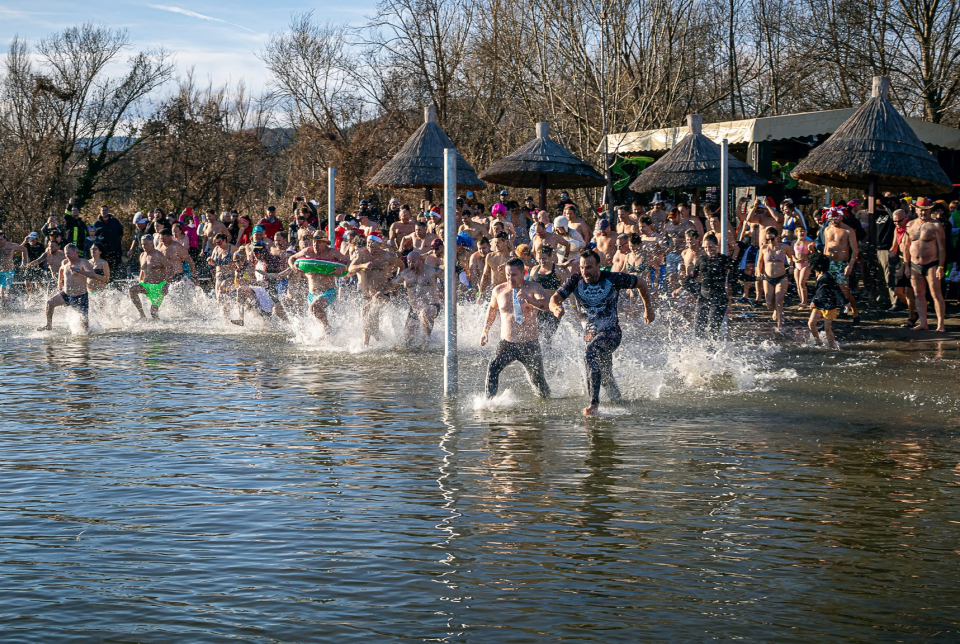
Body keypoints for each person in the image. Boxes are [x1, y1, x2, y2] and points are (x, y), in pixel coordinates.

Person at [550, 250, 655, 416]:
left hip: (611, 332)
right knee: (603, 375)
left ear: (599, 266)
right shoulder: (575, 279)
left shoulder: (613, 278)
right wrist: (556, 308)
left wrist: (648, 309)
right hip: (590, 335)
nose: (585, 271)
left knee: (590, 353)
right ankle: (618, 401)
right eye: (583, 267)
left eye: (589, 267)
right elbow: (554, 299)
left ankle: (593, 404)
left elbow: (641, 283)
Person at [480, 257, 552, 399]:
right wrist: (485, 331)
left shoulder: (533, 287)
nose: (510, 278)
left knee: (538, 381)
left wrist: (529, 299)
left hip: (529, 344)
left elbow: (546, 304)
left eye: (513, 275)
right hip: (507, 344)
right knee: (492, 368)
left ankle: (547, 402)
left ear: (523, 273)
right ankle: (489, 402)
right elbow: (492, 310)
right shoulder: (499, 290)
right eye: (508, 274)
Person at [347, 234, 404, 345]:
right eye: (368, 244)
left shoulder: (387, 256)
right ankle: (383, 342)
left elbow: (401, 266)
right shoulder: (362, 254)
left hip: (382, 292)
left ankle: (365, 344)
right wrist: (363, 266)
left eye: (373, 245)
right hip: (367, 293)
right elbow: (351, 268)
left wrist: (395, 284)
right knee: (371, 322)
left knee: (366, 310)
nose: (370, 247)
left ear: (380, 244)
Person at [377, 250, 442, 344]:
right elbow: (392, 284)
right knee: (407, 341)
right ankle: (424, 339)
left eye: (413, 262)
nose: (411, 264)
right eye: (408, 262)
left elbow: (449, 276)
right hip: (415, 309)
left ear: (420, 260)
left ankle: (428, 339)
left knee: (425, 313)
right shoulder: (405, 274)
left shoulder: (432, 270)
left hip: (432, 306)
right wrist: (381, 292)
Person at [288, 233, 349, 331]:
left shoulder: (332, 253)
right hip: (311, 294)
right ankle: (327, 334)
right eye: (314, 241)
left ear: (325, 243)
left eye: (319, 242)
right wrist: (293, 266)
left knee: (315, 308)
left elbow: (348, 261)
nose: (316, 244)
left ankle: (328, 330)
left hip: (328, 291)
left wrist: (342, 267)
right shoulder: (308, 251)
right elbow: (292, 258)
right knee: (316, 316)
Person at [904, 197, 946, 332]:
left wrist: (941, 266)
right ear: (916, 210)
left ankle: (941, 324)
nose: (923, 213)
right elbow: (906, 246)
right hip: (914, 264)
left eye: (926, 210)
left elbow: (942, 247)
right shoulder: (910, 225)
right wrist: (906, 265)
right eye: (921, 210)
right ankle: (923, 323)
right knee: (918, 293)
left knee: (936, 293)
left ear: (930, 210)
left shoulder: (936, 225)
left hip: (931, 264)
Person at [680, 232, 733, 338]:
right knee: (698, 328)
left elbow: (733, 279)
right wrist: (683, 286)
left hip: (719, 298)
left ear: (716, 246)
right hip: (704, 297)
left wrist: (730, 300)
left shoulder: (724, 259)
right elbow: (692, 276)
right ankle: (700, 351)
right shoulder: (701, 259)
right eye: (706, 247)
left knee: (713, 328)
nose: (708, 249)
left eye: (711, 247)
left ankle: (714, 352)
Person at [36, 244, 99, 332]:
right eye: (66, 253)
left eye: (69, 253)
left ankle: (89, 335)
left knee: (84, 326)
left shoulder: (83, 262)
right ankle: (48, 325)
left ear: (75, 252)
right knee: (50, 303)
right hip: (66, 294)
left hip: (80, 296)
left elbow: (92, 274)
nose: (67, 255)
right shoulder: (65, 262)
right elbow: (61, 269)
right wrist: (59, 282)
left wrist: (79, 271)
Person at [821, 207, 860, 323]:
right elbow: (826, 247)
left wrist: (850, 265)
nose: (834, 221)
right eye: (831, 219)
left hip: (841, 263)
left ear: (841, 217)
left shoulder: (848, 230)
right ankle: (829, 315)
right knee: (826, 290)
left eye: (836, 219)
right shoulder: (827, 229)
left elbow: (855, 250)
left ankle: (855, 311)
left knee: (845, 292)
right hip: (828, 263)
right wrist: (821, 265)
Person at [755, 225, 794, 332]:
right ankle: (775, 310)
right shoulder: (763, 248)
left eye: (772, 239)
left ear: (777, 237)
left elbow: (790, 257)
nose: (770, 241)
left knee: (779, 300)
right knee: (769, 304)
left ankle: (780, 326)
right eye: (767, 239)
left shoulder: (784, 247)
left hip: (781, 277)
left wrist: (791, 267)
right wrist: (759, 272)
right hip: (768, 278)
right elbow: (760, 262)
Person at [528, 244, 567, 344]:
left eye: (544, 258)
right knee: (537, 334)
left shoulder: (558, 270)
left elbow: (567, 290)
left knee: (548, 336)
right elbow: (529, 287)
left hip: (553, 307)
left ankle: (550, 356)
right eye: (540, 259)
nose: (542, 261)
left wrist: (573, 306)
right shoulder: (534, 270)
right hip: (538, 307)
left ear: (551, 257)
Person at [129, 235, 173, 319]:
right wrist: (140, 282)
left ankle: (161, 327)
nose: (144, 246)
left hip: (158, 287)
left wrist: (166, 285)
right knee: (132, 290)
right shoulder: (142, 255)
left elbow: (171, 269)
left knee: (153, 313)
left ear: (152, 243)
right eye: (142, 244)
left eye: (146, 244)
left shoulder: (158, 255)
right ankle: (142, 315)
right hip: (146, 286)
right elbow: (142, 271)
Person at [808, 258, 841, 349]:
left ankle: (832, 346)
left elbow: (836, 289)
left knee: (827, 328)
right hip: (818, 304)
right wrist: (813, 300)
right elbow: (818, 291)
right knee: (811, 323)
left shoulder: (827, 276)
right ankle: (817, 342)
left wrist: (845, 302)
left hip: (829, 305)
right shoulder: (818, 275)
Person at [93, 205, 124, 274]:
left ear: (108, 211)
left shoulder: (115, 221)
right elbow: (93, 236)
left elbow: (121, 233)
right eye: (102, 210)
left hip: (116, 249)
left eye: (105, 210)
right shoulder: (97, 224)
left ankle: (115, 283)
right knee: (105, 268)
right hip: (104, 251)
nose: (104, 212)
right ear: (100, 212)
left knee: (116, 269)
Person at [0, 231, 28, 306]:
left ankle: (5, 310)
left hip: (8, 272)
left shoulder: (11, 246)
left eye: (1, 240)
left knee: (3, 293)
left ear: (5, 240)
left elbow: (24, 249)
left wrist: (24, 262)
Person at [792, 226, 812, 307]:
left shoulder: (808, 242)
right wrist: (795, 260)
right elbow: (792, 254)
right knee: (797, 284)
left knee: (801, 283)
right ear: (796, 233)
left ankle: (804, 302)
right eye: (800, 231)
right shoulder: (793, 242)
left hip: (805, 264)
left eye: (803, 231)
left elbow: (811, 254)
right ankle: (802, 302)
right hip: (797, 264)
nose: (802, 233)